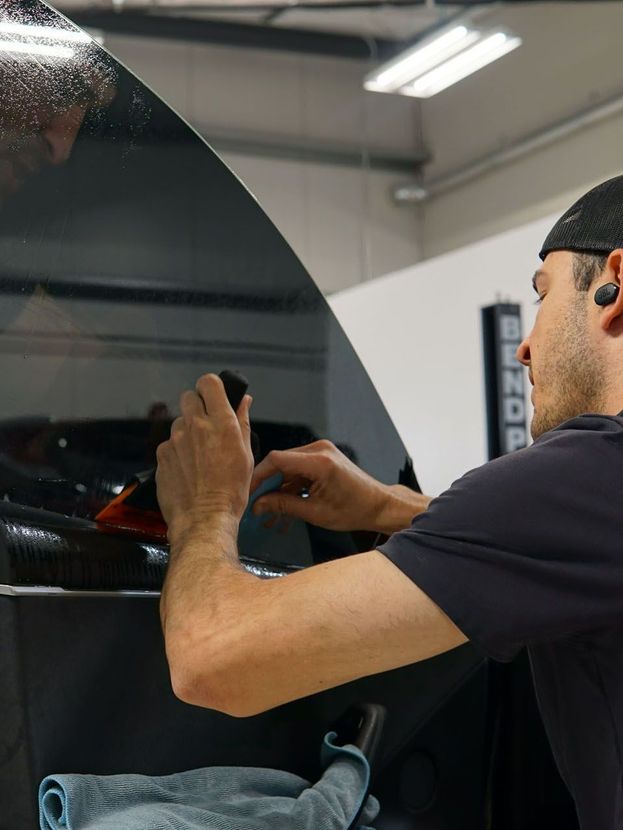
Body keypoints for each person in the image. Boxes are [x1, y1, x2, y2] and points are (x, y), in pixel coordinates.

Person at [155, 175, 623, 830]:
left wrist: (204, 506)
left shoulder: (587, 472)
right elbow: (569, 548)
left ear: (613, 288)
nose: (523, 344)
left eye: (541, 295)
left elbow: (212, 660)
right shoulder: (588, 500)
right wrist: (391, 509)